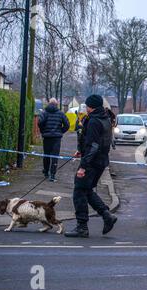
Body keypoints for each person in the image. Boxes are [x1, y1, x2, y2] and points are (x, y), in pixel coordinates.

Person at [65, 95, 117, 238]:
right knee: (86, 190)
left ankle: (82, 227)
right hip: (100, 161)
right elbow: (97, 141)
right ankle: (107, 216)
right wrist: (81, 150)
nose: (85, 108)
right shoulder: (105, 118)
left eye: (87, 106)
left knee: (79, 191)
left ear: (91, 106)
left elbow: (94, 146)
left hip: (92, 162)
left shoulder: (94, 121)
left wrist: (83, 166)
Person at [38, 98, 70, 182]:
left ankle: (46, 172)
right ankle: (52, 175)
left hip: (47, 137)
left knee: (46, 155)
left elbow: (40, 123)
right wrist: (61, 131)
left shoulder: (44, 113)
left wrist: (43, 131)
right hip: (56, 138)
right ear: (56, 104)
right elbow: (67, 125)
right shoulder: (61, 113)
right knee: (55, 156)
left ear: (49, 104)